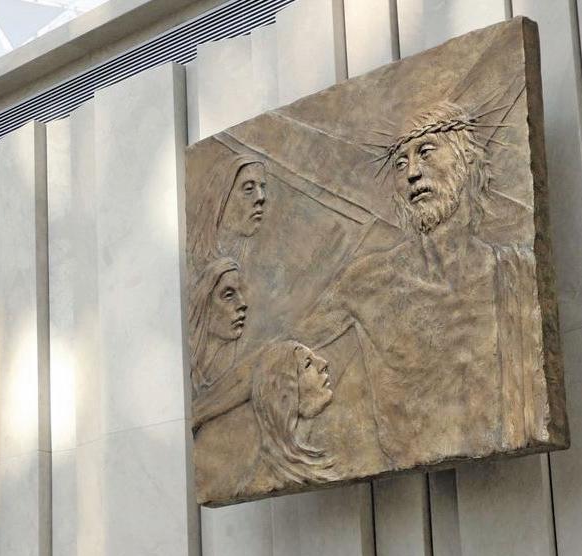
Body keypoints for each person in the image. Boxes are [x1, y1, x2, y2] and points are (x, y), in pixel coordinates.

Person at [193, 101, 545, 469]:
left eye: (426, 152)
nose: (412, 173)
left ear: (466, 160)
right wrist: (198, 412)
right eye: (400, 163)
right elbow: (272, 357)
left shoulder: (515, 274)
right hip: (410, 463)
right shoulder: (370, 282)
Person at [195, 340, 336, 503]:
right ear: (284, 392)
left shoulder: (314, 455)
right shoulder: (264, 478)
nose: (323, 363)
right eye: (308, 364)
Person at [188, 155, 267, 272]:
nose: (261, 197)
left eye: (262, 187)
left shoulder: (260, 259)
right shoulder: (196, 263)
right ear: (222, 198)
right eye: (249, 188)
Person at [188, 257, 247, 393]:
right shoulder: (188, 365)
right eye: (229, 295)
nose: (242, 304)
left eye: (241, 292)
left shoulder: (236, 368)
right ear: (205, 305)